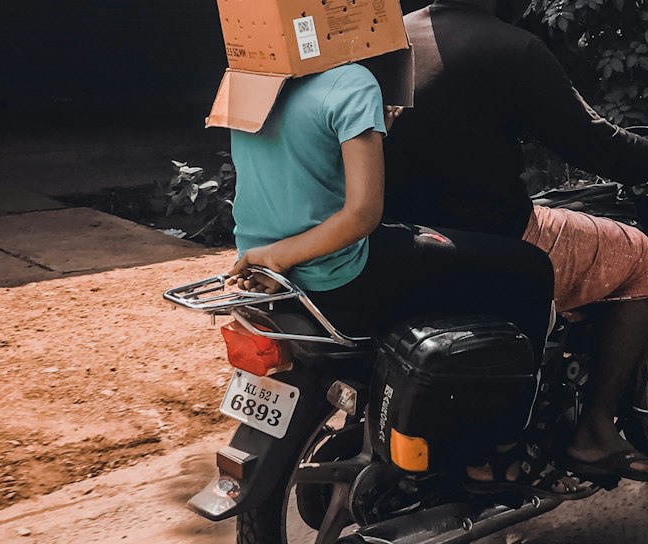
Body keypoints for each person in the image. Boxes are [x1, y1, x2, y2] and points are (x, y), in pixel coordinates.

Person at [384, 0, 648, 483]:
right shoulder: (516, 52)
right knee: (637, 255)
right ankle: (593, 434)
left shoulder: (391, 36)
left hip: (399, 239)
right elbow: (599, 146)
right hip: (494, 237)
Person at [226, 59, 555, 482]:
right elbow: (363, 214)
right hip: (338, 275)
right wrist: (281, 256)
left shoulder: (247, 78)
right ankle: (505, 445)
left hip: (268, 276)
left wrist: (273, 256)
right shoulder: (352, 80)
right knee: (529, 267)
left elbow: (298, 173)